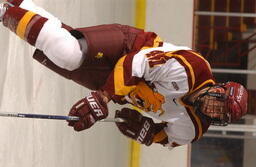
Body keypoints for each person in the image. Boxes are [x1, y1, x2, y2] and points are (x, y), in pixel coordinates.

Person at [0, 0, 248, 149]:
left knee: (63, 46)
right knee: (68, 53)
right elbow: (135, 64)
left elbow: (165, 137)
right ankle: (3, 11)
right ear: (219, 88)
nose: (214, 110)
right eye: (220, 102)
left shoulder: (193, 129)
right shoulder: (192, 69)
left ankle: (18, 5)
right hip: (130, 47)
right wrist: (103, 97)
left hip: (120, 90)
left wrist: (147, 132)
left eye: (219, 115)